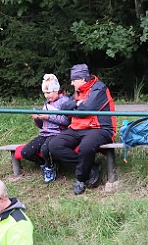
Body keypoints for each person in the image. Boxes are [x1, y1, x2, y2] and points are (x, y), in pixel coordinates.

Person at [48, 64, 116, 195]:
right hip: (78, 128)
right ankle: (91, 167)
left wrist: (76, 108)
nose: (72, 83)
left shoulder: (99, 88)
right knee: (54, 145)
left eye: (74, 80)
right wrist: (76, 104)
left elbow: (85, 110)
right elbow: (64, 107)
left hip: (100, 128)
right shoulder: (79, 90)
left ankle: (81, 179)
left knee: (85, 147)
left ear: (82, 79)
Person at [20, 74, 71, 183]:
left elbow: (67, 121)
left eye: (48, 93)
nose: (46, 96)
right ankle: (45, 164)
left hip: (58, 134)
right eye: (44, 93)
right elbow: (41, 125)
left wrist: (48, 116)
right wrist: (37, 118)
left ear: (56, 90)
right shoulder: (46, 103)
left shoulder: (65, 101)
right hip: (44, 133)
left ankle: (50, 167)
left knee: (45, 149)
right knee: (26, 152)